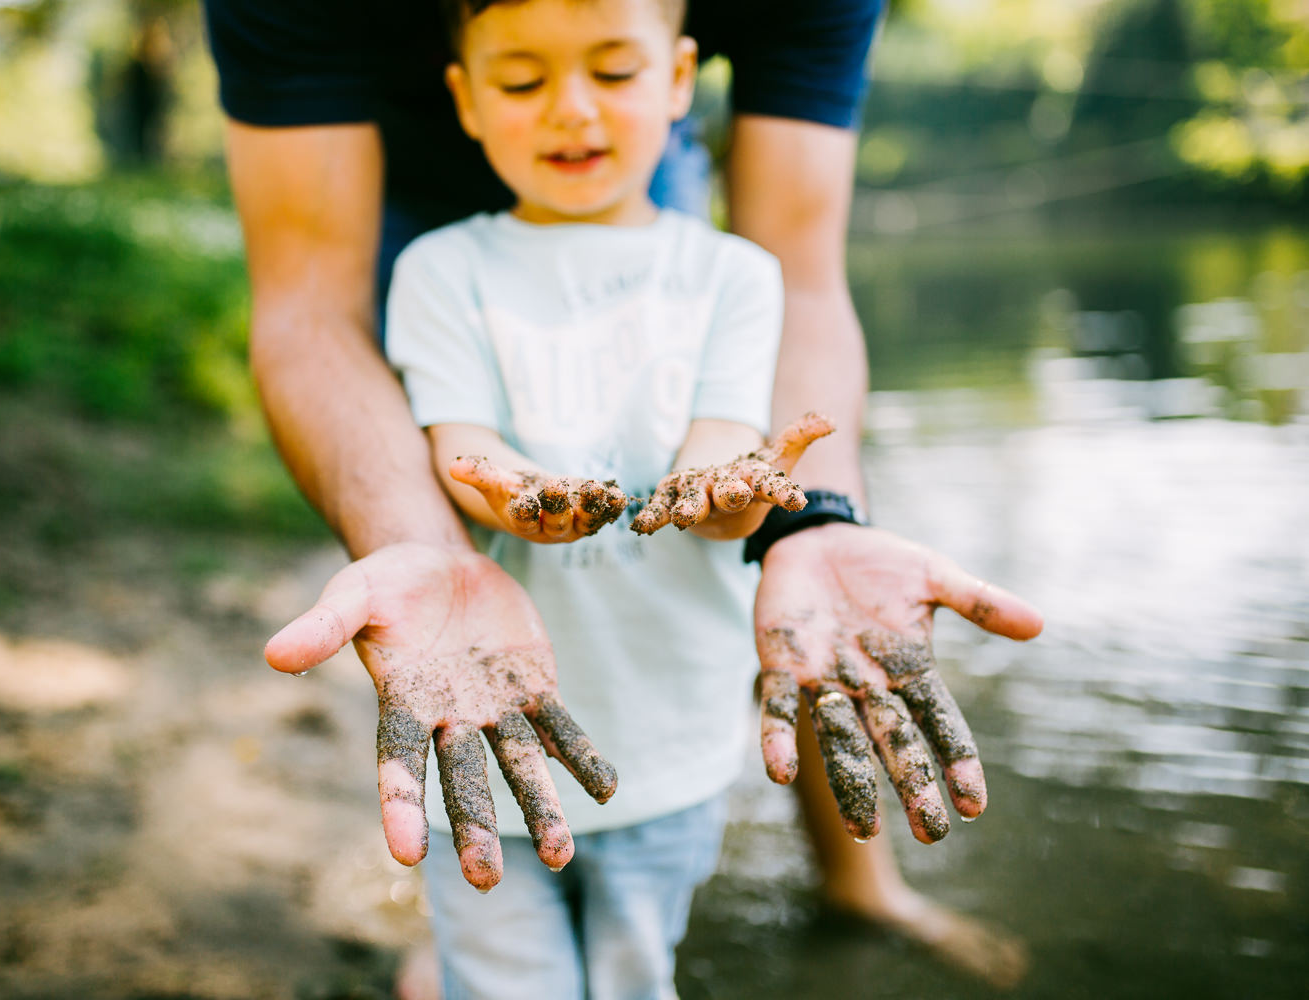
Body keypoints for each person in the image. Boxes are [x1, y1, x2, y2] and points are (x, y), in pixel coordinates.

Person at [201, 0, 1044, 990]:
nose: (570, 110)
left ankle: (857, 879)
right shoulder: (438, 272)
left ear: (680, 81)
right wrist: (504, 501)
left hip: (668, 725)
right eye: (525, 84)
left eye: (609, 75)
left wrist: (772, 505)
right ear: (471, 96)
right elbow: (348, 345)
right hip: (405, 173)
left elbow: (774, 344)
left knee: (639, 955)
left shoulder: (731, 277)